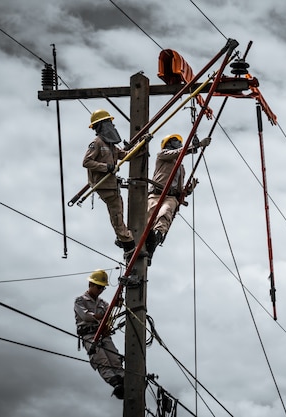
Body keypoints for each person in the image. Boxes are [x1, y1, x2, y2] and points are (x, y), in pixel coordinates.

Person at [83, 109, 136, 262]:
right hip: (104, 185)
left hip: (112, 186)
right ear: (101, 125)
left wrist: (141, 145)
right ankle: (128, 244)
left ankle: (122, 238)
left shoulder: (110, 145)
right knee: (117, 215)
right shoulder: (97, 143)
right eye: (108, 122)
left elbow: (125, 155)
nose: (111, 125)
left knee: (119, 212)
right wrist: (106, 167)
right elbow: (86, 162)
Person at [145, 133, 211, 258]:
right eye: (176, 141)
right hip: (155, 195)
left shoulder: (181, 167)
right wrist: (196, 145)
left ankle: (157, 238)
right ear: (168, 144)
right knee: (147, 225)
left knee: (165, 214)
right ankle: (146, 253)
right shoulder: (162, 155)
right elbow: (179, 152)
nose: (179, 143)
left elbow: (179, 189)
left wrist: (189, 189)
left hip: (170, 197)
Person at [74, 269, 125, 399]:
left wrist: (118, 303)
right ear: (90, 284)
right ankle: (115, 383)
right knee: (102, 360)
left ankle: (125, 380)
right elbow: (86, 316)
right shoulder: (80, 300)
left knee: (115, 359)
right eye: (98, 287)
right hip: (90, 335)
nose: (100, 290)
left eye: (103, 288)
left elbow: (111, 311)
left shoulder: (103, 303)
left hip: (104, 335)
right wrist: (103, 316)